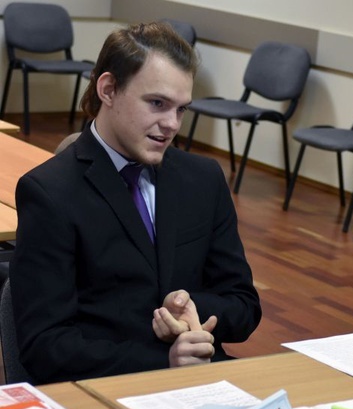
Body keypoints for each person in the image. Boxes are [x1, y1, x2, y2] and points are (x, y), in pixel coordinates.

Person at [11, 22, 262, 384]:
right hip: (108, 388)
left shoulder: (204, 179)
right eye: (157, 104)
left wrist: (193, 310)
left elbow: (244, 306)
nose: (171, 124)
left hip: (201, 380)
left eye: (181, 110)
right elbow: (45, 346)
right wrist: (165, 362)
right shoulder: (50, 192)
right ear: (109, 89)